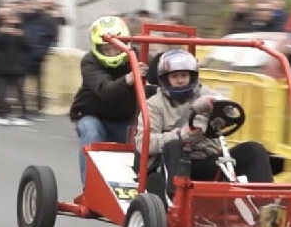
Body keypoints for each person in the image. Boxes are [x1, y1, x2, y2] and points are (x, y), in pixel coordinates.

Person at [134, 49, 274, 201]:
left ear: (192, 76)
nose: (180, 80)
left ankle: (266, 206)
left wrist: (216, 109)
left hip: (207, 160)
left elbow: (231, 111)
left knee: (254, 150)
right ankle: (177, 204)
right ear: (165, 79)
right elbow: (143, 143)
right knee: (174, 146)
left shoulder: (205, 93)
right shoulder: (153, 105)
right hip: (171, 164)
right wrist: (180, 135)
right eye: (175, 76)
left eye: (184, 75)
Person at [69, 16, 149, 187]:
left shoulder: (137, 56)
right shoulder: (89, 61)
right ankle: (89, 188)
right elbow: (105, 90)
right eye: (106, 48)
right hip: (92, 114)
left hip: (125, 119)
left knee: (144, 142)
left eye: (115, 46)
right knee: (92, 133)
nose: (112, 52)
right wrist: (130, 78)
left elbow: (156, 76)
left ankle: (137, 189)